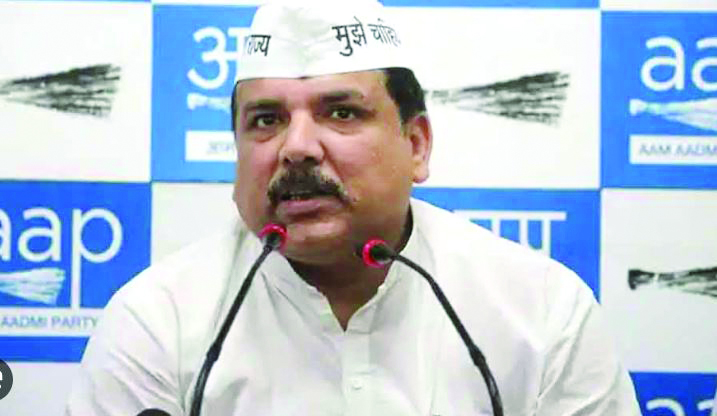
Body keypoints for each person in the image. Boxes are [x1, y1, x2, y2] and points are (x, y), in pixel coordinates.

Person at [66, 1, 641, 414]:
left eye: (341, 113)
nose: (296, 147)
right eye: (266, 120)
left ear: (416, 145)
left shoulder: (541, 312)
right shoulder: (157, 323)